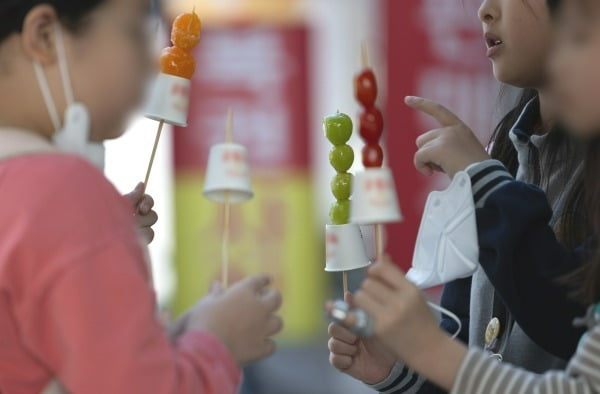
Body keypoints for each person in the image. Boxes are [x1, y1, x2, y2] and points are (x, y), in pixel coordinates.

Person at [0, 1, 283, 393]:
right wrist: (218, 343)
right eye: (134, 33)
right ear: (44, 36)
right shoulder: (65, 190)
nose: (153, 63)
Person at [333, 0, 600, 392]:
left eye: (580, 35)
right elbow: (467, 356)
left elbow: (569, 328)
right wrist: (405, 375)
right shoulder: (502, 157)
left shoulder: (490, 177)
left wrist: (485, 184)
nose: (484, 11)